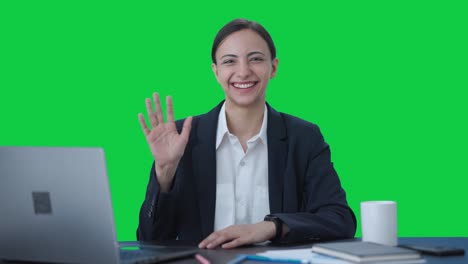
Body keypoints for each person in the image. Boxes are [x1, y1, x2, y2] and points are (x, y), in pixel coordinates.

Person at [137, 18, 356, 249]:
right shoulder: (183, 138)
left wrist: (271, 227)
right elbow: (150, 239)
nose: (243, 72)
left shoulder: (304, 138)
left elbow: (340, 219)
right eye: (230, 61)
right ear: (216, 72)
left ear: (273, 67)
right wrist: (165, 171)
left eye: (256, 59)